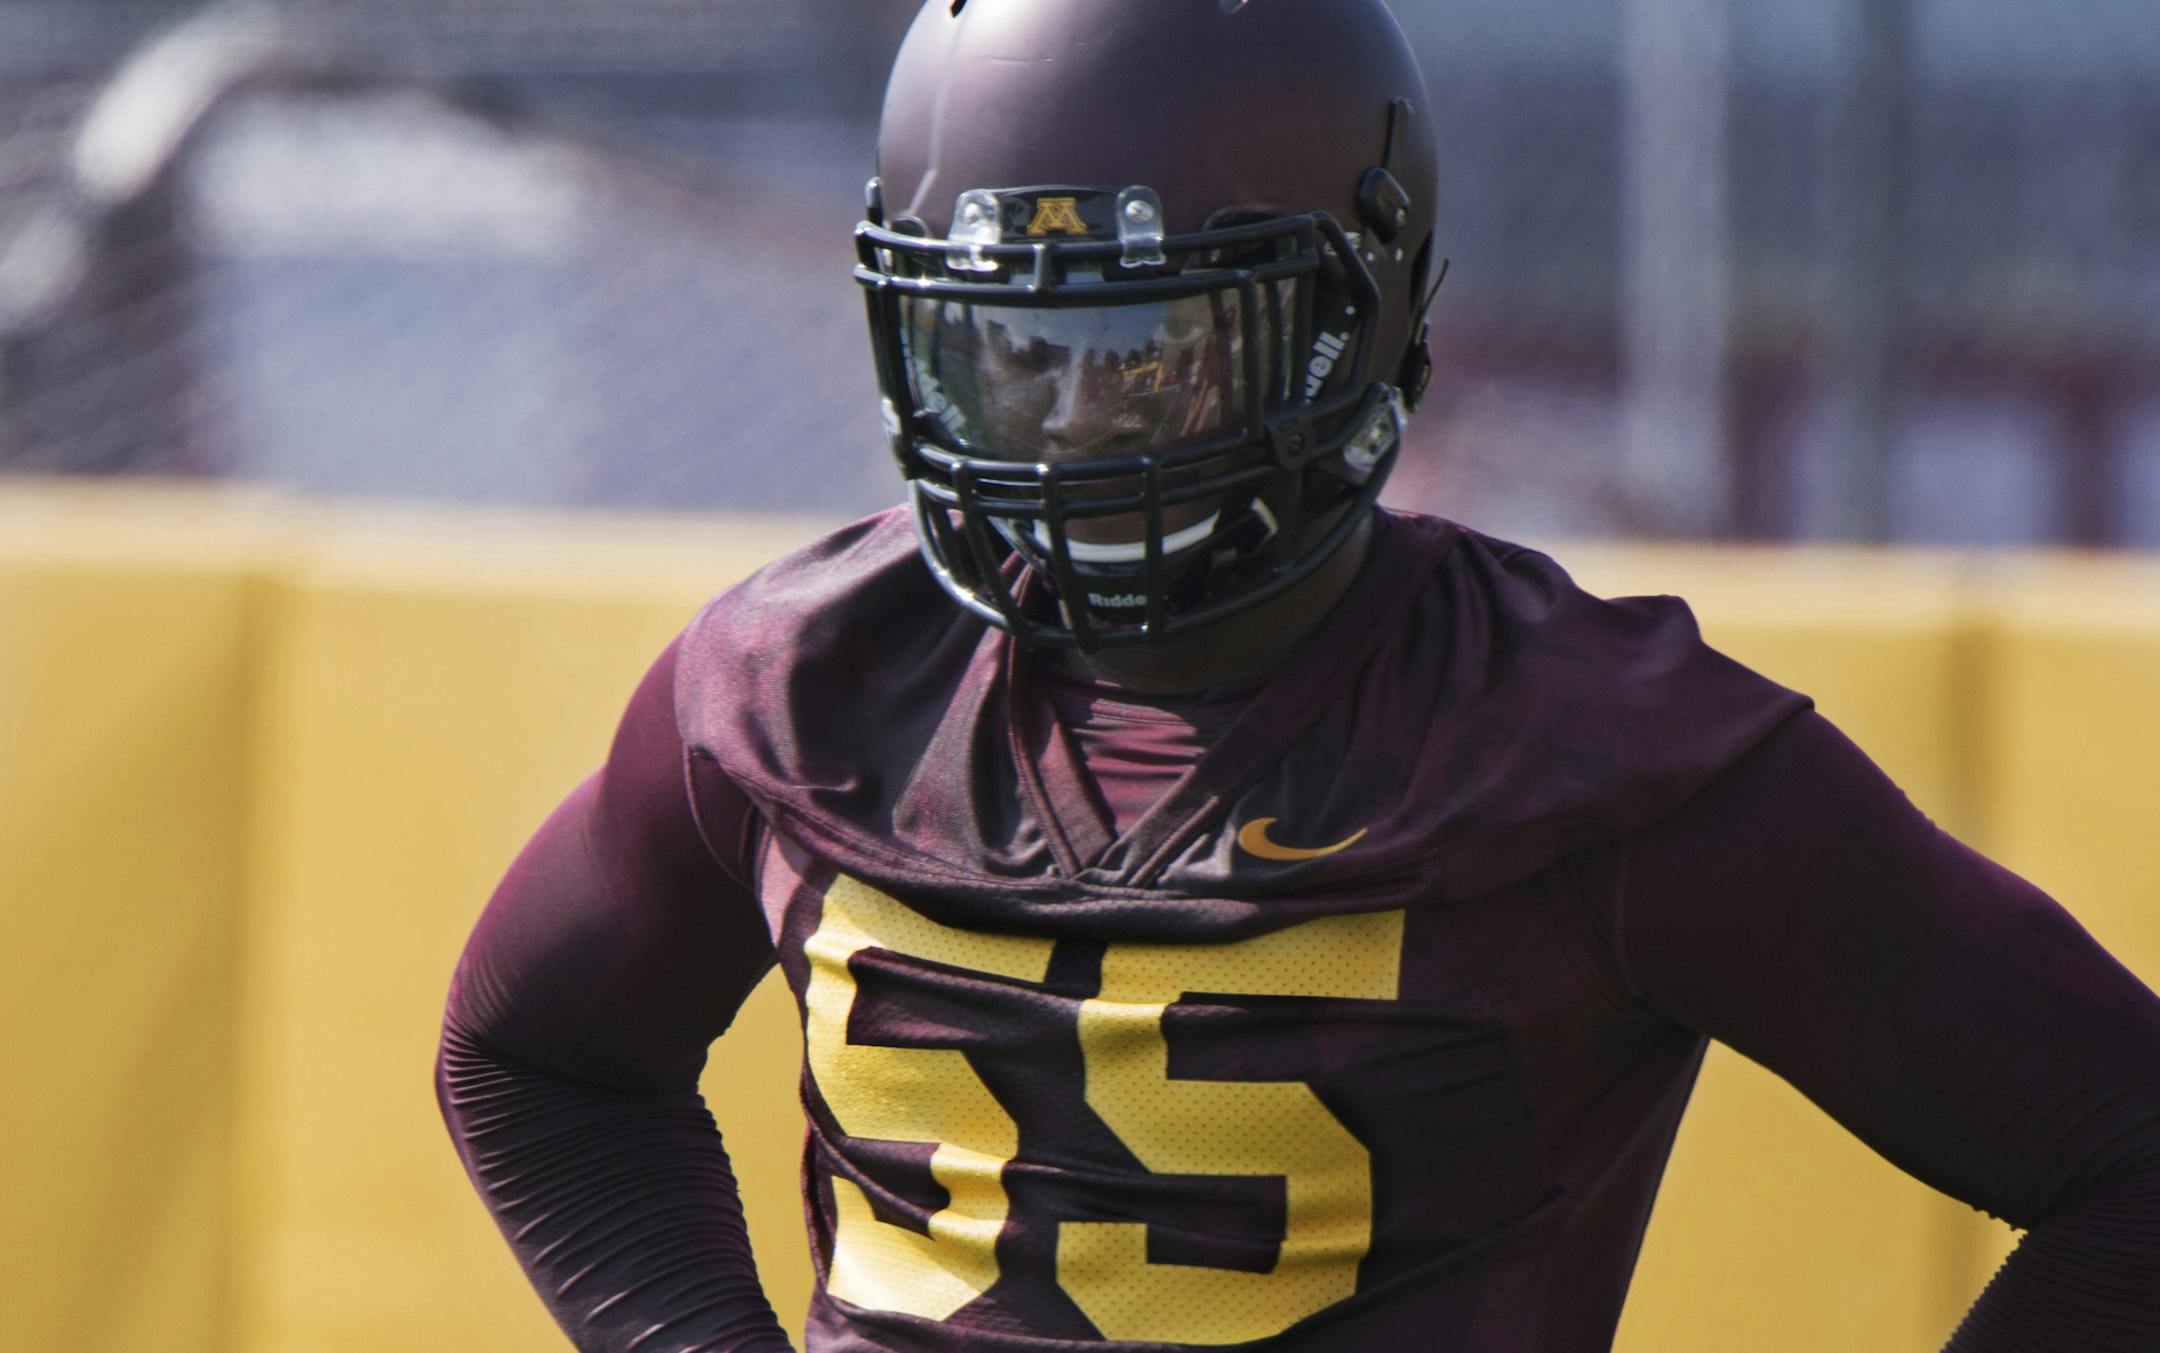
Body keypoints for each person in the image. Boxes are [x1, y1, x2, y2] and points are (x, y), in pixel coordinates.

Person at [435, 1, 2160, 1349]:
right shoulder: (797, 688)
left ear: (1357, 310)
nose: (1068, 428)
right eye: (1008, 351)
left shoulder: (1585, 747)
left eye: (1152, 351)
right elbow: (534, 1054)